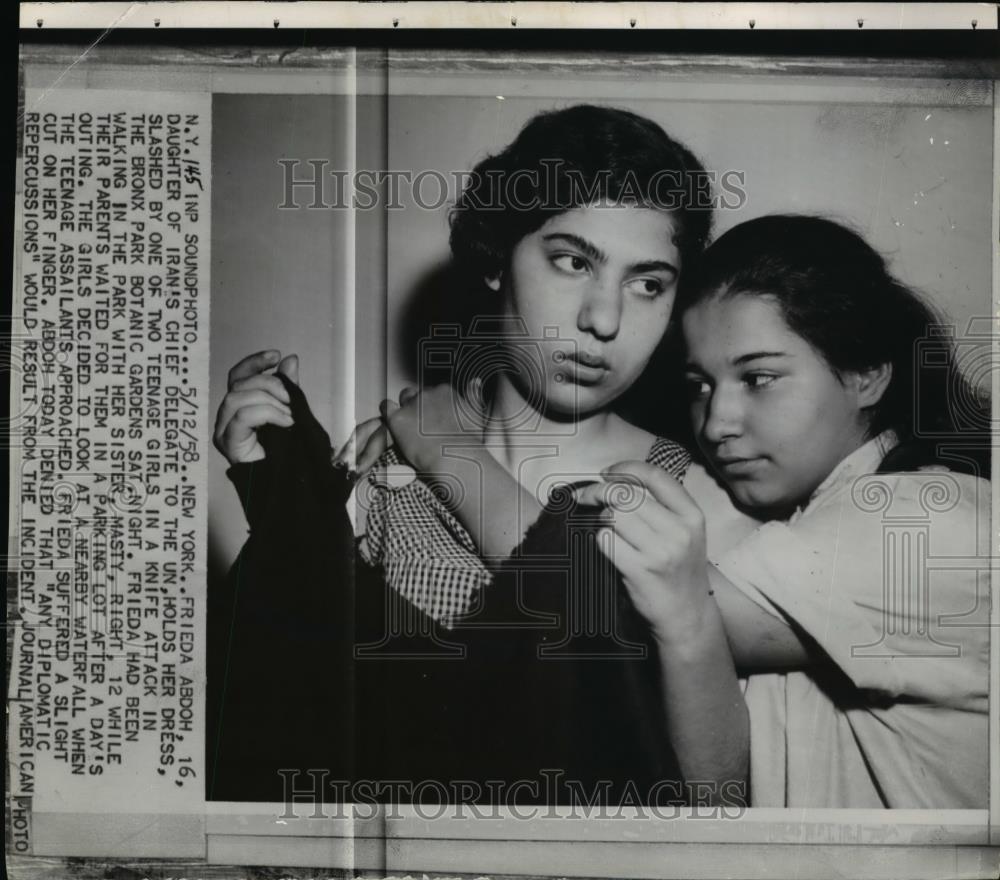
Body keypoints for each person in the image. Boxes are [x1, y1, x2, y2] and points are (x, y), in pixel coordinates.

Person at [208, 105, 751, 805]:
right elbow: (296, 733)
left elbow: (721, 802)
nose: (605, 319)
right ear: (497, 259)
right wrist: (283, 513)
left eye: (648, 283)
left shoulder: (697, 498)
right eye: (572, 261)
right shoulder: (381, 478)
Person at [573, 214, 991, 808]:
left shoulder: (920, 521)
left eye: (760, 378)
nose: (717, 423)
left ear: (867, 373)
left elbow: (598, 602)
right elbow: (720, 790)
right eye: (700, 386)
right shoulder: (810, 522)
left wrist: (448, 453)